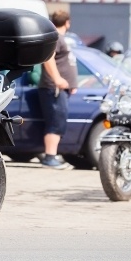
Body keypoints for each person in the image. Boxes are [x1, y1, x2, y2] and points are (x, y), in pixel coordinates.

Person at [37, 10, 77, 170]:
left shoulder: (59, 38)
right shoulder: (56, 38)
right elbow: (48, 58)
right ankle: (50, 157)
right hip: (54, 89)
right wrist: (58, 79)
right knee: (55, 122)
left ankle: (52, 155)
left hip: (60, 89)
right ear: (67, 22)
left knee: (58, 121)